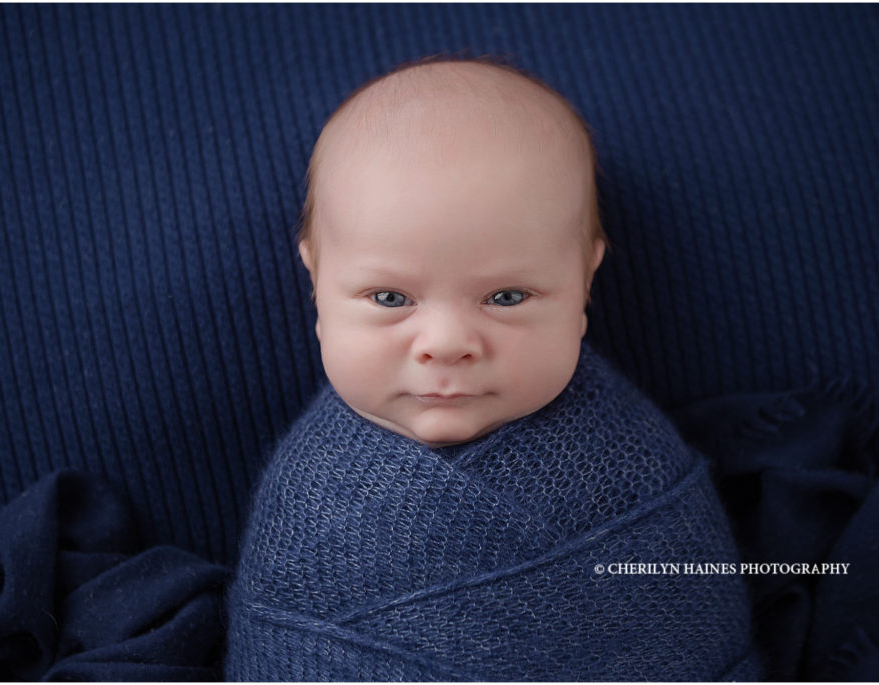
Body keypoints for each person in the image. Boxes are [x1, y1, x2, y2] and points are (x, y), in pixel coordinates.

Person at [227, 57, 758, 681]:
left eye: (506, 297)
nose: (448, 344)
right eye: (390, 298)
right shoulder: (310, 501)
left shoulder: (636, 467)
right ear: (316, 280)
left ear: (584, 281)